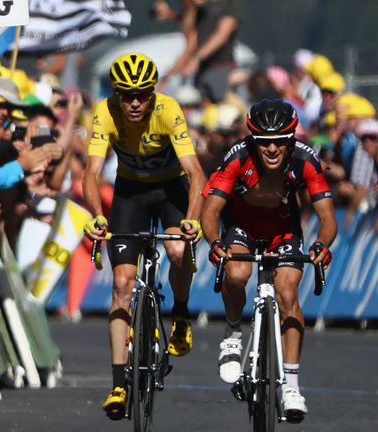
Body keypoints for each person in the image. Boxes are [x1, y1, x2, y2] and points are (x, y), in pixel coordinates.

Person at [82, 52, 205, 419]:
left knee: (180, 253)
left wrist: (193, 221)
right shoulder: (105, 112)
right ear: (115, 94)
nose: (134, 102)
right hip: (130, 193)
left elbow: (196, 174)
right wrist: (96, 215)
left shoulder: (168, 110)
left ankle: (180, 315)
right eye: (126, 95)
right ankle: (119, 383)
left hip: (171, 191)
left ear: (152, 93)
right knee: (122, 283)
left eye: (142, 95)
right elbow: (90, 174)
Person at [202, 99, 337, 423]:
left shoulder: (305, 159)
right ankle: (233, 334)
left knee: (288, 294)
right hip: (241, 228)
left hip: (284, 233)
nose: (273, 149)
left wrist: (321, 244)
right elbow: (210, 211)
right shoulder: (237, 157)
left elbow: (328, 217)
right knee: (235, 274)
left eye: (280, 142)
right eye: (265, 143)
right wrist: (215, 242)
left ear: (291, 140)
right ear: (253, 141)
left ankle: (291, 384)